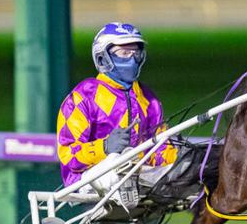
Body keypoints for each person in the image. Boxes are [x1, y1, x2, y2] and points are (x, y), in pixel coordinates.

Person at [56, 22, 177, 205]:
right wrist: (104, 147)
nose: (132, 59)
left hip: (137, 171)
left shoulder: (149, 100)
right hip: (86, 178)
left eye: (136, 52)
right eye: (124, 53)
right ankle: (126, 178)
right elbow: (67, 154)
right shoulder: (83, 97)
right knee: (117, 160)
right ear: (103, 58)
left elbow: (159, 149)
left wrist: (178, 158)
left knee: (179, 168)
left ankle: (131, 180)